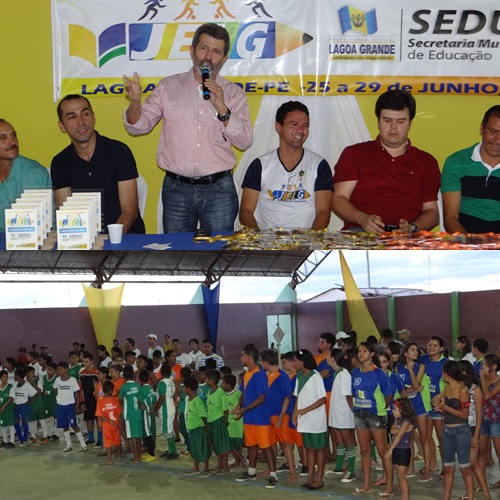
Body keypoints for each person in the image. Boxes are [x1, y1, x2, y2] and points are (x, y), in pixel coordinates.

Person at [124, 23, 253, 233]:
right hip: (177, 189)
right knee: (177, 252)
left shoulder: (233, 93)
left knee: (219, 251)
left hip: (219, 189)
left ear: (224, 58)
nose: (208, 56)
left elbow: (245, 141)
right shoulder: (167, 87)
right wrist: (135, 103)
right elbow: (138, 127)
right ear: (192, 51)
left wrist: (222, 107)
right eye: (204, 48)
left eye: (216, 51)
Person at [332, 90, 441, 233]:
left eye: (400, 121)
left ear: (410, 123)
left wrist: (412, 228)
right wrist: (362, 219)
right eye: (387, 121)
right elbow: (338, 198)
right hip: (361, 232)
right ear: (378, 122)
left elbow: (432, 211)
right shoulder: (355, 154)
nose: (393, 127)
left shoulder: (426, 161)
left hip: (408, 237)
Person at [51, 94, 145, 234]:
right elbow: (66, 214)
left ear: (93, 117)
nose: (81, 122)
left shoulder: (119, 152)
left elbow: (129, 210)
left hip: (125, 236)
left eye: (85, 114)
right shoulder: (60, 162)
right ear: (62, 126)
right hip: (84, 239)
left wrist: (112, 238)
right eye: (71, 117)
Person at [239, 101, 332, 229]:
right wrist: (257, 237)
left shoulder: (319, 165)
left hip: (306, 237)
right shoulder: (260, 165)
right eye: (294, 124)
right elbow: (246, 211)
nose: (301, 130)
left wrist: (311, 239)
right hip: (267, 237)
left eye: (305, 125)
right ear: (278, 127)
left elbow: (323, 212)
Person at [441, 105, 500, 234]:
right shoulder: (457, 162)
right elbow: (450, 218)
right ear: (481, 128)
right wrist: (469, 242)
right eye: (493, 131)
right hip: (464, 239)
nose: (497, 140)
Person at [351, 342, 393, 497]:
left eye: (364, 351)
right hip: (360, 415)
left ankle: (389, 486)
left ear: (372, 354)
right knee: (364, 450)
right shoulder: (355, 373)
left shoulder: (379, 373)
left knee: (383, 451)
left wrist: (380, 409)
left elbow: (388, 394)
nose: (361, 354)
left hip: (376, 415)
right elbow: (353, 393)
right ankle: (367, 484)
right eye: (359, 351)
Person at [234, 344, 277, 489]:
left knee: (266, 447)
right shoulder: (247, 374)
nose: (241, 358)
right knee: (251, 445)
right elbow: (243, 393)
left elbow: (261, 398)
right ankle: (251, 472)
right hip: (249, 418)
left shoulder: (259, 375)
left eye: (242, 355)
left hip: (260, 418)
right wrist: (239, 406)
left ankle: (273, 475)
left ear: (249, 357)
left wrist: (244, 409)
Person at [0, 119, 52, 232]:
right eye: (3, 138)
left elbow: (48, 222)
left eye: (13, 136)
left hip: (28, 237)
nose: (12, 142)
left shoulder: (36, 174)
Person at [433, 361, 474, 500]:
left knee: (465, 467)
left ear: (448, 374)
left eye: (443, 372)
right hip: (447, 431)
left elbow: (464, 415)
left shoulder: (463, 391)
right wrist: (440, 406)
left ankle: (470, 496)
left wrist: (445, 408)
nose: (442, 375)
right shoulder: (447, 388)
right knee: (448, 467)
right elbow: (439, 403)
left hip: (461, 431)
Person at [292, 349, 328, 491]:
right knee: (309, 449)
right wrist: (295, 412)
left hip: (316, 419)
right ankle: (310, 477)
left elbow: (323, 399)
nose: (294, 363)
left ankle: (319, 479)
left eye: (295, 360)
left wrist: (304, 410)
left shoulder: (315, 376)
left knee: (319, 449)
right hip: (304, 420)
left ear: (303, 362)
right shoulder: (299, 376)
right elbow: (298, 396)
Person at [260, 348, 297, 483]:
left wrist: (281, 417)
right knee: (271, 444)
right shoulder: (265, 376)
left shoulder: (282, 377)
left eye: (261, 361)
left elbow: (287, 398)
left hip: (281, 416)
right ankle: (272, 469)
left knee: (285, 444)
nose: (260, 363)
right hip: (268, 415)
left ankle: (292, 472)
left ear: (266, 362)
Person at [325, 348, 356, 483]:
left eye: (328, 356)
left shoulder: (344, 374)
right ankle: (338, 467)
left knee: (348, 441)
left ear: (333, 359)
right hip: (336, 413)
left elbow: (348, 396)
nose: (327, 358)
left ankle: (351, 470)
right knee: (339, 441)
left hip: (344, 414)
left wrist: (354, 412)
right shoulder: (337, 373)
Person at [385, 398, 417, 500]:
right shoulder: (397, 419)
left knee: (402, 475)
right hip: (397, 449)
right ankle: (404, 495)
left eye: (395, 409)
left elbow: (399, 436)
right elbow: (392, 430)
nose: (392, 411)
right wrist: (403, 430)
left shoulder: (407, 421)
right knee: (399, 474)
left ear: (402, 410)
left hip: (403, 450)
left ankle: (406, 497)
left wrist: (390, 450)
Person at [53, 361, 88, 452]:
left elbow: (77, 394)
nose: (58, 371)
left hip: (70, 406)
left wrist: (77, 406)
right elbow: (55, 389)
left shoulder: (72, 380)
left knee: (74, 425)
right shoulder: (57, 380)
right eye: (57, 369)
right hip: (60, 406)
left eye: (60, 369)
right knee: (64, 426)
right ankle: (69, 444)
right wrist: (60, 397)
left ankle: (83, 444)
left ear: (66, 369)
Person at [183, 376, 212, 477]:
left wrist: (206, 427)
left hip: (198, 428)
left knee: (202, 447)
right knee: (194, 448)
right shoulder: (189, 399)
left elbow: (203, 415)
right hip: (191, 428)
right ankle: (195, 467)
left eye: (184, 387)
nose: (183, 389)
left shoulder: (197, 400)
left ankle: (206, 468)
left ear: (189, 388)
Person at [205, 369, 231, 474]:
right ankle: (219, 465)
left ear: (211, 380)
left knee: (222, 444)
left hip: (218, 421)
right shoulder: (209, 392)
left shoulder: (220, 392)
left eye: (206, 379)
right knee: (216, 444)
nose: (205, 380)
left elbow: (225, 410)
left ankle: (225, 466)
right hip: (211, 422)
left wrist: (225, 422)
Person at [119, 364, 143, 464]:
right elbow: (140, 399)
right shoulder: (137, 385)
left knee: (132, 436)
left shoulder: (124, 387)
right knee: (138, 436)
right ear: (133, 374)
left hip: (129, 415)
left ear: (123, 376)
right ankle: (139, 456)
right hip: (138, 413)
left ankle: (136, 457)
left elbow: (120, 400)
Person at [95, 380, 122, 465]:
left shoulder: (100, 401)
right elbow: (119, 413)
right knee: (117, 440)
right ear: (111, 391)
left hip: (107, 425)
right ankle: (119, 456)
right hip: (115, 423)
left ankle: (109, 460)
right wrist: (119, 423)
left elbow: (100, 415)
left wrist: (109, 421)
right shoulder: (115, 400)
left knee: (108, 442)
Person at [0, 369, 15, 448]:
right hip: (1, 410)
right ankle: (5, 441)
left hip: (8, 410)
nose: (6, 379)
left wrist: (4, 406)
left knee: (11, 425)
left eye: (7, 377)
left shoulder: (10, 387)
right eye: (4, 377)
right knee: (3, 425)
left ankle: (12, 442)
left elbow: (11, 398)